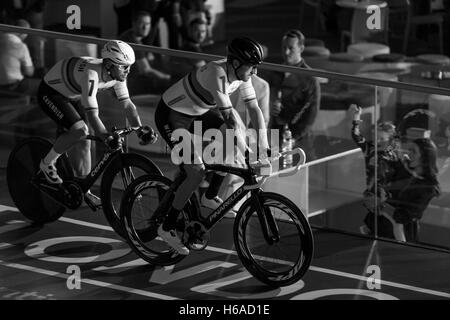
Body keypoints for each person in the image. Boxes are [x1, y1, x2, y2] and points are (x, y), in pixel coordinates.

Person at [154, 37, 270, 254]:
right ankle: (166, 227)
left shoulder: (242, 74)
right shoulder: (216, 74)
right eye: (252, 67)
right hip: (172, 116)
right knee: (196, 173)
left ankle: (210, 196)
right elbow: (230, 120)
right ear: (236, 64)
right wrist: (248, 153)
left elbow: (254, 109)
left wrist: (263, 146)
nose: (255, 72)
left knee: (232, 135)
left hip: (196, 111)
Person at [37, 40, 156, 205]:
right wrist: (106, 137)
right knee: (80, 131)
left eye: (129, 66)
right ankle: (47, 163)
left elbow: (128, 105)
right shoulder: (91, 75)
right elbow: (93, 115)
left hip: (74, 95)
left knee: (85, 142)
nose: (128, 71)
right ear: (108, 64)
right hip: (51, 93)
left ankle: (83, 188)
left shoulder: (118, 74)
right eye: (123, 66)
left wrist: (140, 128)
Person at [375, 137, 441, 242]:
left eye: (413, 151)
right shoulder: (409, 171)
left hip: (403, 235)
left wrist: (381, 203)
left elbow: (402, 217)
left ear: (424, 157)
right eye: (409, 150)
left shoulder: (428, 188)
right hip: (384, 228)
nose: (409, 153)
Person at [349, 104, 402, 235]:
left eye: (382, 139)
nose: (377, 141)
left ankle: (371, 231)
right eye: (376, 137)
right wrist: (356, 118)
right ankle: (369, 231)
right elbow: (356, 136)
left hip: (387, 194)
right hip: (372, 191)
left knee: (386, 220)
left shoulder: (394, 155)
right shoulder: (370, 149)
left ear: (390, 140)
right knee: (376, 216)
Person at [268, 29, 320, 157]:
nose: (286, 52)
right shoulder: (275, 73)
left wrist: (293, 138)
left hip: (298, 141)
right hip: (274, 136)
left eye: (291, 48)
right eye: (284, 47)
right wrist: (270, 106)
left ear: (301, 48)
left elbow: (310, 115)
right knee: (272, 173)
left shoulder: (310, 79)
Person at [119, 10, 172, 95]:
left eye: (148, 24)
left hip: (126, 86)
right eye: (142, 23)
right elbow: (146, 70)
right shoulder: (133, 41)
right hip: (130, 90)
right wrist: (168, 78)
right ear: (134, 23)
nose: (145, 27)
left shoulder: (128, 35)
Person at [0, 19, 39, 96]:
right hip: (11, 86)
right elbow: (29, 72)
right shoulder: (20, 46)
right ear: (23, 33)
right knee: (39, 85)